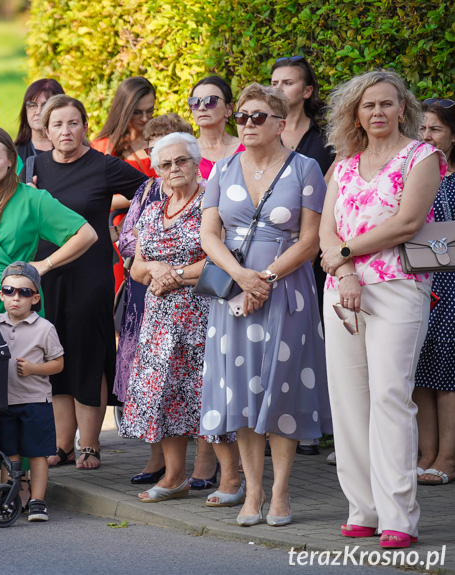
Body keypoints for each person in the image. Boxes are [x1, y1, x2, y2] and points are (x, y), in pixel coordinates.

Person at [319, 71, 446, 548]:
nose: (378, 112)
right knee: (349, 403)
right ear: (356, 112)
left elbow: (407, 223)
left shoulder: (422, 157)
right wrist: (344, 270)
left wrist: (347, 255)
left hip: (397, 288)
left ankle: (399, 515)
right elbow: (326, 229)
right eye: (369, 105)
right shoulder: (345, 163)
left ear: (402, 109)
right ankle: (363, 508)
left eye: (387, 104)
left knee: (391, 398)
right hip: (343, 291)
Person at [0, 126, 97, 512]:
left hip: (19, 307)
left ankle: (23, 482)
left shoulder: (33, 199)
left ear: (11, 159)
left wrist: (41, 266)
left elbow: (87, 233)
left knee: (18, 396)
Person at [199, 84, 331, 526]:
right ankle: (252, 494)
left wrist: (266, 279)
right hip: (233, 292)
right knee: (240, 394)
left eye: (259, 117)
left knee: (282, 392)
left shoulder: (306, 168)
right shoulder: (222, 168)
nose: (249, 124)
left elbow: (311, 240)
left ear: (280, 122)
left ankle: (280, 494)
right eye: (243, 117)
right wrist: (241, 278)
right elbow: (208, 235)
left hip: (286, 293)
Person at [27, 95, 148, 470]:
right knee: (54, 354)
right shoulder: (34, 167)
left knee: (87, 357)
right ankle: (63, 444)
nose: (66, 131)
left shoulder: (104, 166)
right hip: (45, 275)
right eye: (58, 124)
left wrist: (123, 230)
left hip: (90, 275)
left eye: (73, 123)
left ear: (84, 127)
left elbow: (150, 192)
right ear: (45, 131)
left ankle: (90, 444)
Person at [118, 132, 235, 502]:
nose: (174, 169)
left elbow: (222, 256)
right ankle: (174, 478)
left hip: (203, 315)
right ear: (157, 171)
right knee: (165, 396)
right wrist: (154, 267)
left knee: (209, 395)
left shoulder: (210, 204)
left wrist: (174, 275)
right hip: (160, 322)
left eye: (182, 160)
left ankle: (231, 480)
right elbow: (136, 268)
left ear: (195, 162)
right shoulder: (152, 211)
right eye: (166, 164)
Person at [271, 55, 338, 457]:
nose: (279, 89)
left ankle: (310, 427)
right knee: (277, 337)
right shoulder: (262, 131)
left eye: (288, 83)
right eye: (274, 82)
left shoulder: (326, 139)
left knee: (310, 337)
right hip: (273, 250)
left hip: (316, 248)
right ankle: (275, 422)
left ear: (307, 91)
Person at [0, 262, 65, 522]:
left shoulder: (44, 328)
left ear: (35, 298)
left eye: (24, 293)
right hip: (5, 401)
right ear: (1, 294)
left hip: (36, 401)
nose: (16, 298)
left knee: (37, 454)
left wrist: (35, 368)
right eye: (10, 291)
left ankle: (37, 501)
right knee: (9, 454)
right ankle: (9, 497)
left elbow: (59, 364)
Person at [415, 97, 455, 487]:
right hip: (418, 280)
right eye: (422, 128)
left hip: (452, 285)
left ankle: (447, 456)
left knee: (447, 372)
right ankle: (426, 453)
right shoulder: (416, 172)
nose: (426, 136)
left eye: (435, 129)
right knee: (420, 371)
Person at [92, 76, 157, 177]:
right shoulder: (102, 147)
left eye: (149, 111)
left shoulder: (164, 141)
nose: (144, 118)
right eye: (136, 112)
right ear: (124, 111)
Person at [190, 76, 245, 181]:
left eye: (210, 101)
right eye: (195, 102)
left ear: (228, 109)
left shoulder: (246, 149)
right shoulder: (186, 152)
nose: (201, 108)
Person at [14, 79, 65, 164]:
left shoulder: (73, 152)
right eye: (32, 105)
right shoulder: (13, 154)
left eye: (45, 105)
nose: (38, 112)